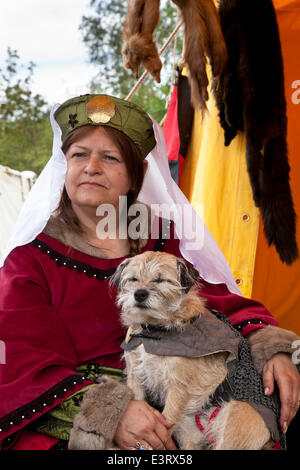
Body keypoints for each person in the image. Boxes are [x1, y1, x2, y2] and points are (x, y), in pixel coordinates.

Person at [0, 94, 299, 451]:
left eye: (109, 157)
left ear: (136, 175)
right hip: (90, 417)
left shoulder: (164, 242)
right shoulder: (30, 261)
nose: (92, 166)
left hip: (185, 402)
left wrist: (273, 350)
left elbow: (224, 304)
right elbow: (22, 363)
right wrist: (112, 412)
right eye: (79, 154)